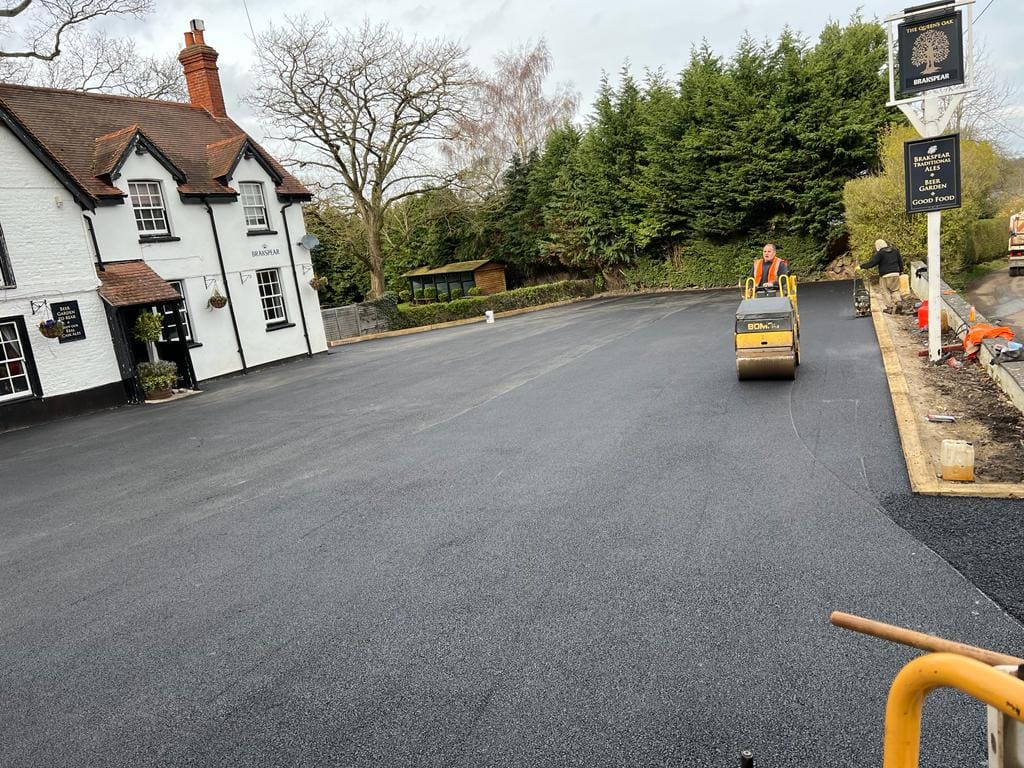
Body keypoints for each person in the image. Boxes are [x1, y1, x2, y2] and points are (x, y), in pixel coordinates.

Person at [860, 239, 904, 313]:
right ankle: (898, 302)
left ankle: (889, 307)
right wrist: (901, 270)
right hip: (896, 273)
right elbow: (900, 261)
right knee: (895, 289)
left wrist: (862, 266)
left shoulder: (880, 253)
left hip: (885, 275)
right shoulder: (895, 250)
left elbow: (872, 263)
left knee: (885, 290)